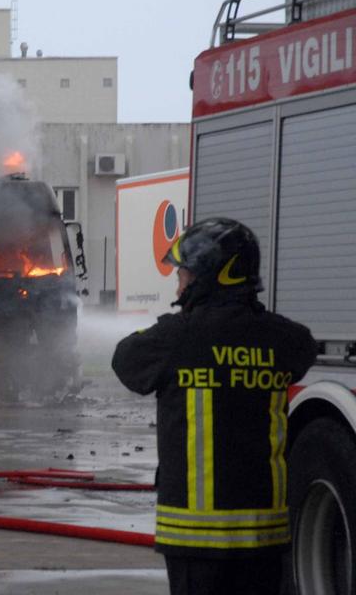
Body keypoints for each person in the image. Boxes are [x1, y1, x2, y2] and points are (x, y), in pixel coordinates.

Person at [113, 217, 317, 595]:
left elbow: (125, 360)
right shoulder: (285, 338)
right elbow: (304, 349)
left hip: (196, 541)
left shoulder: (176, 337)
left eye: (184, 274)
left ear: (210, 276)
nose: (179, 283)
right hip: (263, 539)